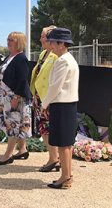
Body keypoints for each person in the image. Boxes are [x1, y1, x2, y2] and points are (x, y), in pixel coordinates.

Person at [41, 27, 79, 189]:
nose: (50, 45)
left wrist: (44, 104)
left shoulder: (63, 61)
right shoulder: (67, 58)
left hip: (62, 105)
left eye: (53, 42)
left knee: (63, 144)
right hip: (66, 105)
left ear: (62, 43)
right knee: (66, 144)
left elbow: (55, 86)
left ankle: (65, 177)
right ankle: (67, 175)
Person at [0, 32, 32, 165]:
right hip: (5, 97)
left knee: (12, 125)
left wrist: (16, 97)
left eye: (12, 40)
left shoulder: (21, 58)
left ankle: (8, 155)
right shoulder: (9, 57)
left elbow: (22, 80)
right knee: (16, 123)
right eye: (8, 39)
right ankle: (22, 149)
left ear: (19, 42)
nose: (8, 42)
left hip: (15, 97)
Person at [30, 26, 60, 172]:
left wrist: (47, 101)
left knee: (48, 129)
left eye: (43, 36)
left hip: (48, 99)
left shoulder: (56, 56)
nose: (41, 39)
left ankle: (54, 159)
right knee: (43, 129)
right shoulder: (43, 54)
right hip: (38, 97)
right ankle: (54, 157)